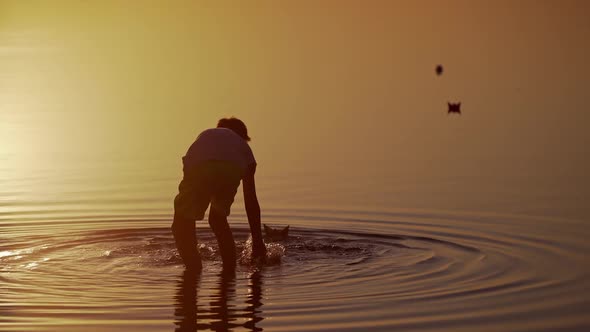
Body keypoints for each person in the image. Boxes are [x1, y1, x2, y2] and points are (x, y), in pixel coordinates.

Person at [172, 117, 266, 270]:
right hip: (232, 169)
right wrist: (258, 241)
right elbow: (251, 201)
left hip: (198, 166)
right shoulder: (243, 149)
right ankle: (229, 271)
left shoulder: (207, 135)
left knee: (182, 223)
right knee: (217, 220)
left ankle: (193, 271)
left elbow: (187, 166)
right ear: (243, 137)